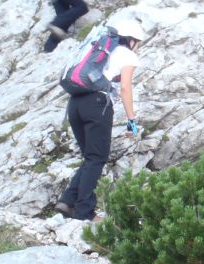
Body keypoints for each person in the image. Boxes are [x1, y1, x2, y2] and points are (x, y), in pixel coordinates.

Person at [55, 19, 146, 221]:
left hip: (75, 104)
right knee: (97, 158)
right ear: (131, 40)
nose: (138, 46)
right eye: (138, 42)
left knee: (90, 157)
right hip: (97, 104)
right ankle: (84, 213)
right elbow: (125, 88)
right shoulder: (127, 55)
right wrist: (131, 120)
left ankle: (67, 201)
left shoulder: (97, 50)